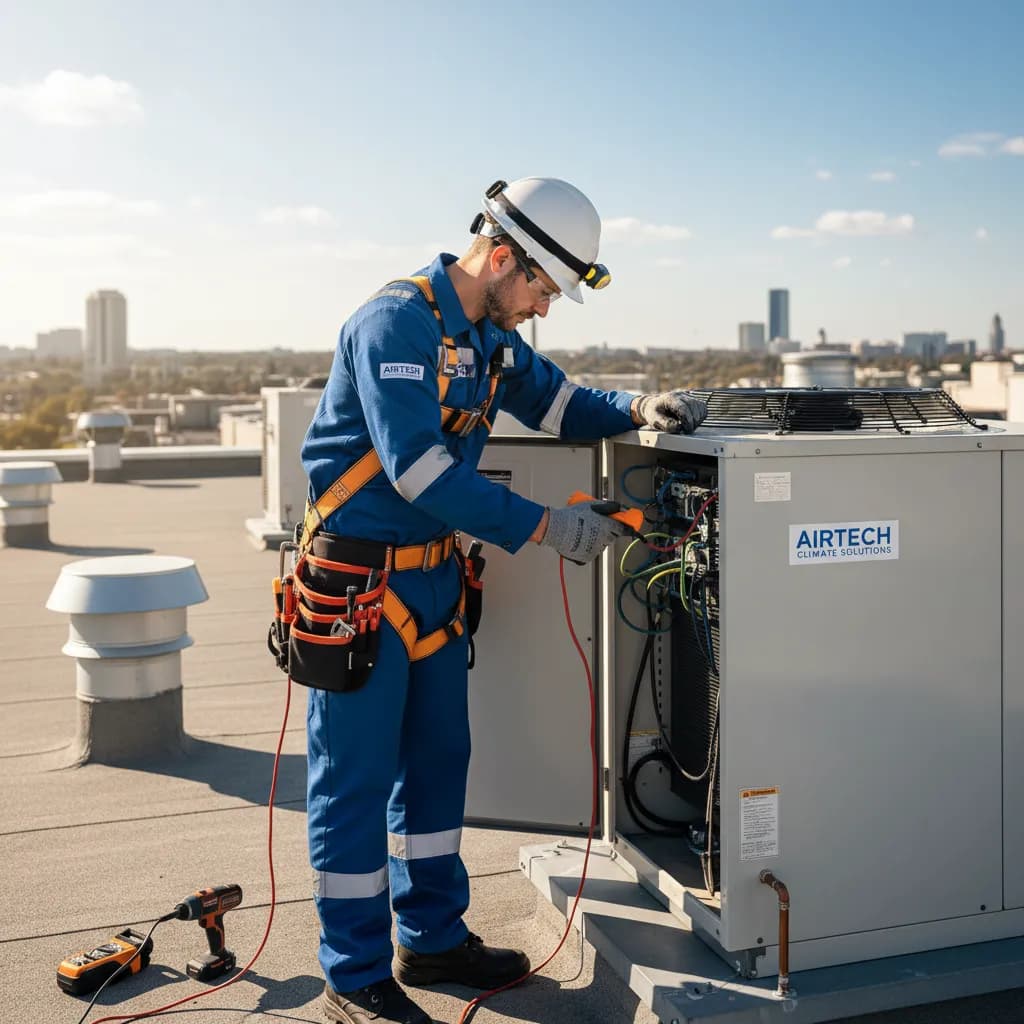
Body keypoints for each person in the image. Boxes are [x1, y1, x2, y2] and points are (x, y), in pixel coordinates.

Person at [299, 176, 707, 1024]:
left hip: (435, 582)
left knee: (439, 765)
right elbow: (418, 470)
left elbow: (558, 402)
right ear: (501, 256)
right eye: (541, 289)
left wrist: (635, 406)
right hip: (360, 585)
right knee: (356, 784)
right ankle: (354, 975)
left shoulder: (488, 337)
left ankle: (432, 938)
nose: (542, 309)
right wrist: (546, 527)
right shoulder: (395, 325)